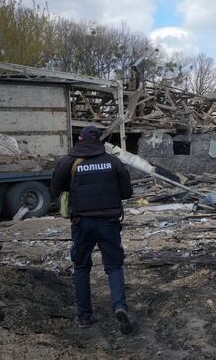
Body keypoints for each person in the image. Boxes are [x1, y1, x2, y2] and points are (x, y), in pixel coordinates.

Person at [51, 126, 134, 334]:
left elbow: (55, 189)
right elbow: (127, 192)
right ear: (99, 141)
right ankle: (119, 307)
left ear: (80, 139)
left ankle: (84, 317)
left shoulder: (68, 161)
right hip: (109, 222)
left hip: (82, 223)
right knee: (114, 266)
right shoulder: (113, 161)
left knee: (81, 267)